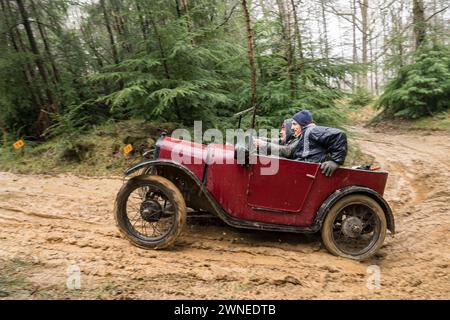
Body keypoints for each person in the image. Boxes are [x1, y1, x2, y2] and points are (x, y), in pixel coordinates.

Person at [255, 110, 347, 176]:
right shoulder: (305, 133)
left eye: (295, 124)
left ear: (302, 123)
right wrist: (259, 140)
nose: (291, 128)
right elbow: (281, 143)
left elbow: (339, 135)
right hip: (304, 167)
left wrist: (335, 161)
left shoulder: (312, 130)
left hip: (308, 169)